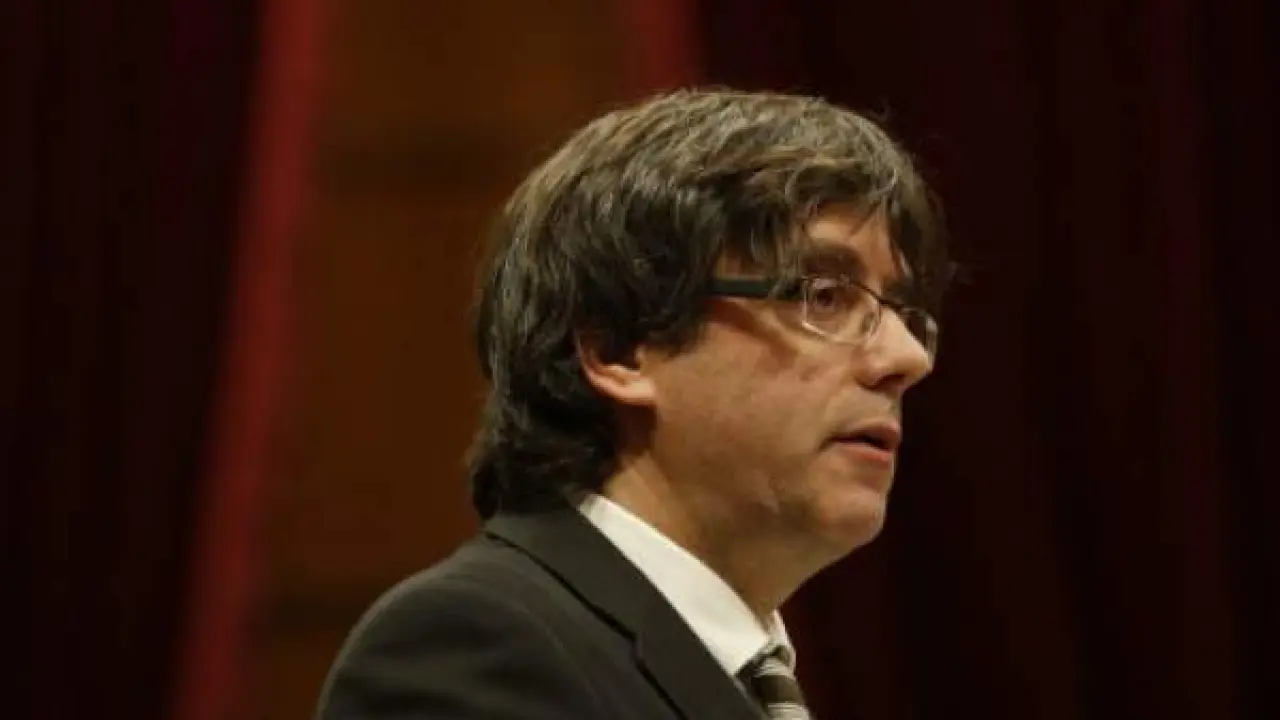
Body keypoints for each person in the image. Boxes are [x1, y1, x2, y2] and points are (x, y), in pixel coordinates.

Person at [315, 87, 953, 720]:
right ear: (620, 348)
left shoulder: (749, 679)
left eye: (901, 312)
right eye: (824, 296)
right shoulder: (471, 647)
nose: (905, 358)